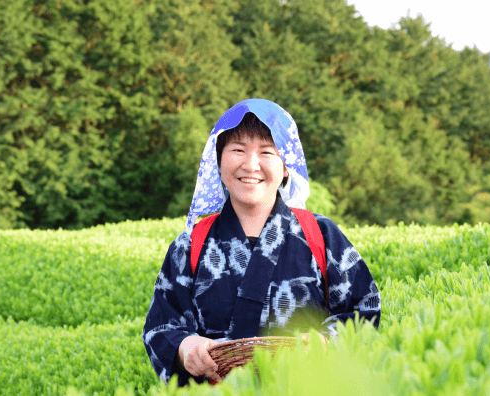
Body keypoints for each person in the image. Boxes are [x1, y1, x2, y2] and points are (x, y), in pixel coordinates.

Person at [142, 99, 381, 386]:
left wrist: (324, 341)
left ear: (286, 166)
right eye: (238, 150)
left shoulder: (320, 234)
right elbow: (161, 326)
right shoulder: (190, 245)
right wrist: (187, 347)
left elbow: (364, 310)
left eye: (267, 151)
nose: (251, 165)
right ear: (219, 162)